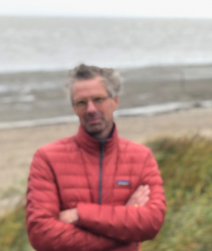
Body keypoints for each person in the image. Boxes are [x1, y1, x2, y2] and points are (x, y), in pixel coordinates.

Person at [26, 64, 166, 251]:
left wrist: (79, 214)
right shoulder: (47, 159)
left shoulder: (141, 158)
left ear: (115, 101)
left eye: (98, 99)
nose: (90, 109)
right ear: (74, 107)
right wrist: (124, 228)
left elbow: (151, 223)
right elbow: (41, 235)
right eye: (82, 102)